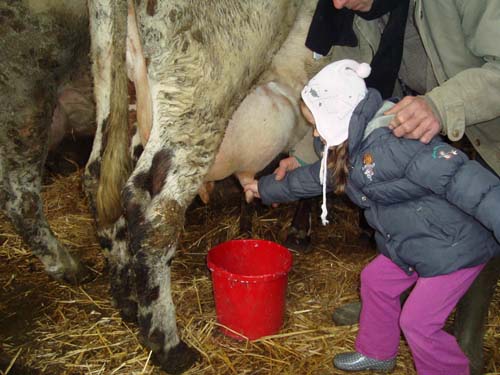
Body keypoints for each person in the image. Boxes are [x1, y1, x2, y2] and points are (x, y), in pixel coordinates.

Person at [281, 1, 500, 373]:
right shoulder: (365, 12)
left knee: (465, 235)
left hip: (486, 136)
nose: (335, 3)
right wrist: (304, 158)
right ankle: (385, 334)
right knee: (388, 271)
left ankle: (463, 337)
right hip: (417, 138)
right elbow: (344, 106)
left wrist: (440, 106)